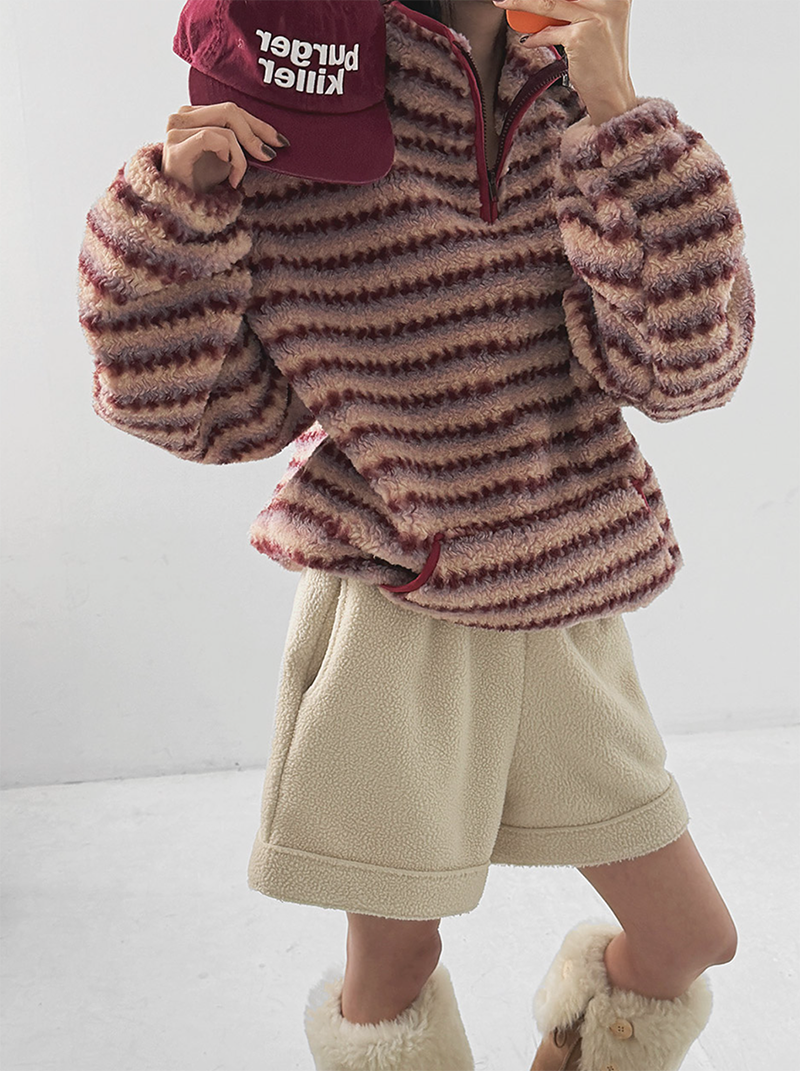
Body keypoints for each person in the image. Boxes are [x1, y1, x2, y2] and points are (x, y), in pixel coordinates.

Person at [77, 0, 755, 1068]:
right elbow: (192, 408)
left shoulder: (569, 85)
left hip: (565, 606)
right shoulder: (312, 102)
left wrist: (624, 126)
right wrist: (169, 217)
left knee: (688, 939)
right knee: (391, 972)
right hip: (398, 617)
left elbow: (689, 370)